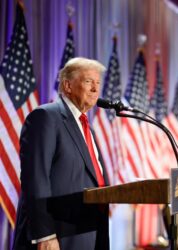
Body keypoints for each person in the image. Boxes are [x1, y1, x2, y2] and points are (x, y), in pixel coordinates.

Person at [13, 57, 110, 250]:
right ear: (67, 85)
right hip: (58, 236)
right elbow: (35, 179)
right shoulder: (45, 117)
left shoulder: (87, 128)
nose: (95, 89)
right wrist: (45, 234)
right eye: (89, 81)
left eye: (98, 83)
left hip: (90, 230)